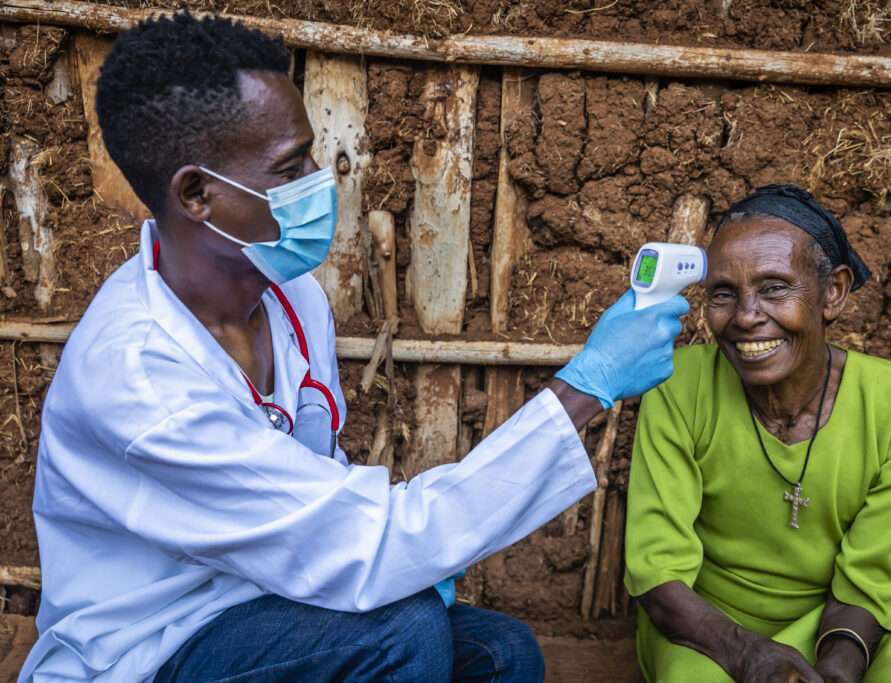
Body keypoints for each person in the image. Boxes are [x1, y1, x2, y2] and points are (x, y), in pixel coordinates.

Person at [19, 13, 691, 683]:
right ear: (198, 193)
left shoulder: (290, 299)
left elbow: (325, 501)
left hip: (261, 599)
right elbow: (358, 544)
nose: (322, 177)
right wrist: (586, 387)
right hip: (148, 648)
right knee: (401, 635)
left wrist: (409, 556)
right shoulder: (138, 376)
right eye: (290, 166)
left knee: (501, 652)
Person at [624, 184, 891, 683]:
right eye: (724, 294)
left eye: (773, 288)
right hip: (707, 630)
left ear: (832, 292)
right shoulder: (678, 386)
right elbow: (655, 569)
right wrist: (748, 654)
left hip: (844, 629)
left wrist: (836, 669)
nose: (746, 316)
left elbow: (872, 582)